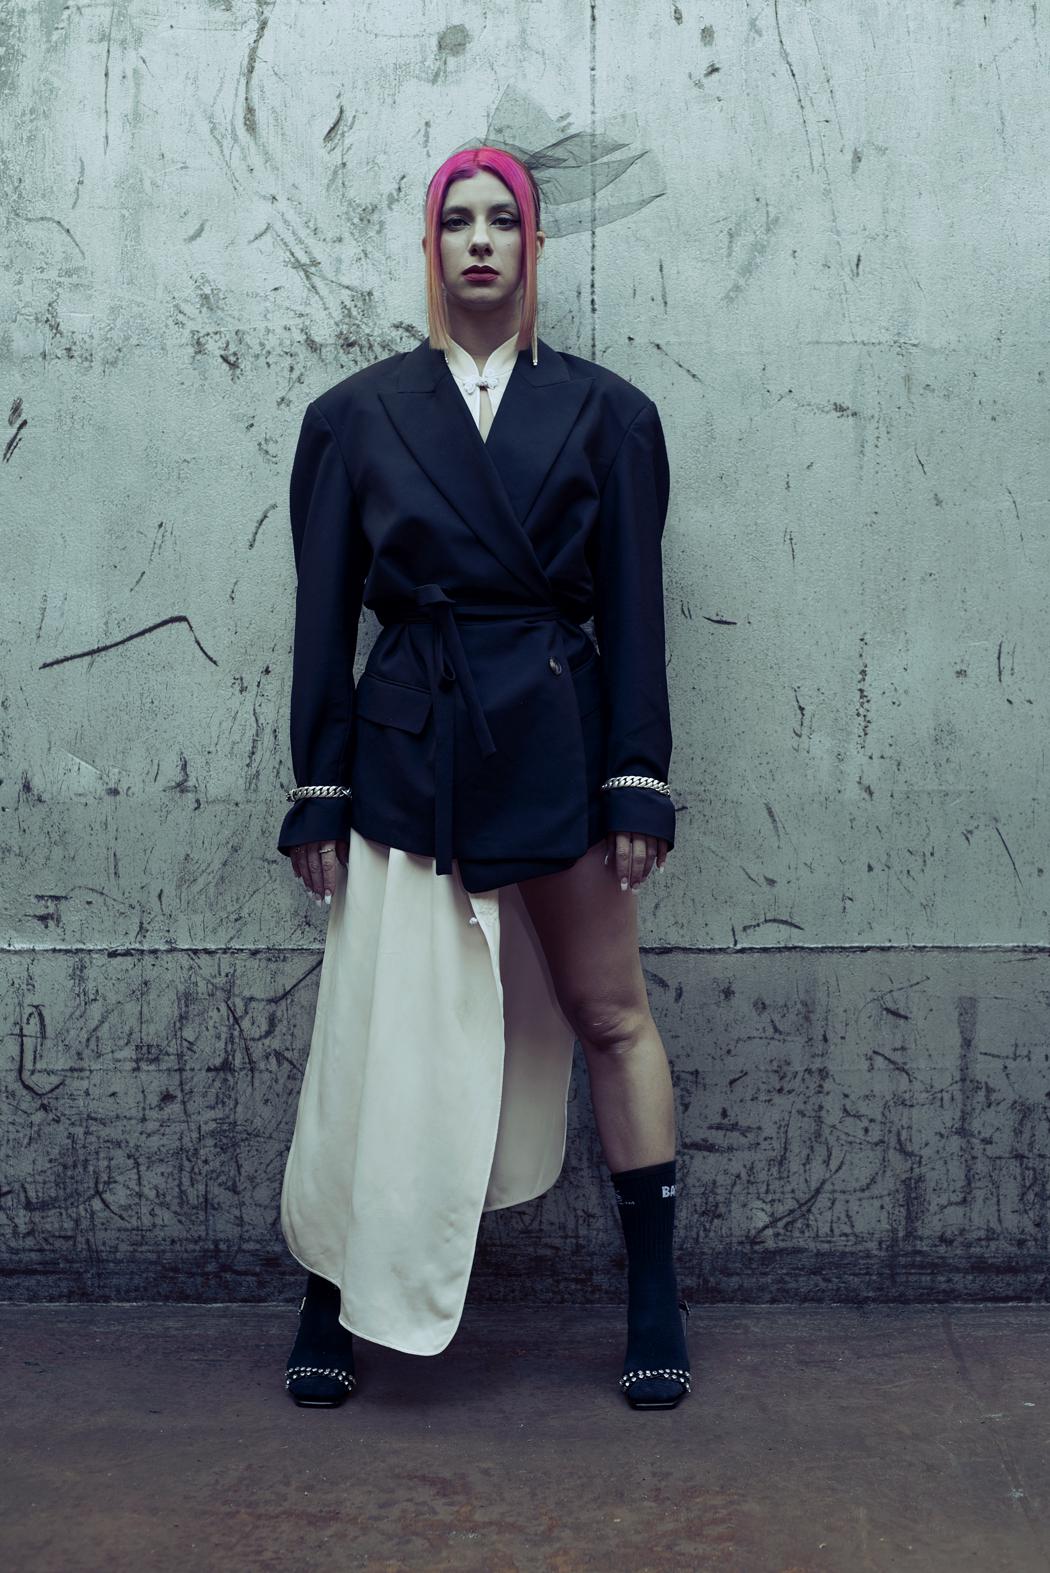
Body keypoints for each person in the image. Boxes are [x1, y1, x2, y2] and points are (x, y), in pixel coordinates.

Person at [276, 145, 690, 1412]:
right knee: (375, 1035)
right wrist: (319, 784)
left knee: (610, 1012)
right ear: (429, 246)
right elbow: (323, 614)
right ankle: (332, 1292)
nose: (478, 240)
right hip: (411, 745)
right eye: (455, 220)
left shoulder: (611, 414)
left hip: (557, 736)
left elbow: (637, 608)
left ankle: (655, 1293)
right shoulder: (353, 416)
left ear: (534, 246)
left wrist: (637, 773)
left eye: (501, 220)